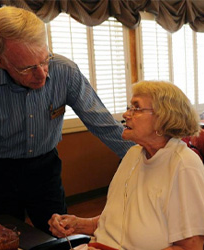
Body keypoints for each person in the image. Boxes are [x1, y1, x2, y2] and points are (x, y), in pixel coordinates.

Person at [0, 5, 134, 250]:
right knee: (2, 240)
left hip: (45, 168)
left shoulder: (64, 71)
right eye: (26, 68)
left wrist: (149, 156)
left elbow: (103, 124)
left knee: (59, 237)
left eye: (44, 60)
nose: (41, 74)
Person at [48, 80, 204, 250]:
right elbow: (119, 220)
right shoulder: (133, 154)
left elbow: (192, 246)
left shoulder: (183, 165)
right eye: (129, 107)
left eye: (136, 108)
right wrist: (78, 224)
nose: (125, 114)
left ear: (163, 118)